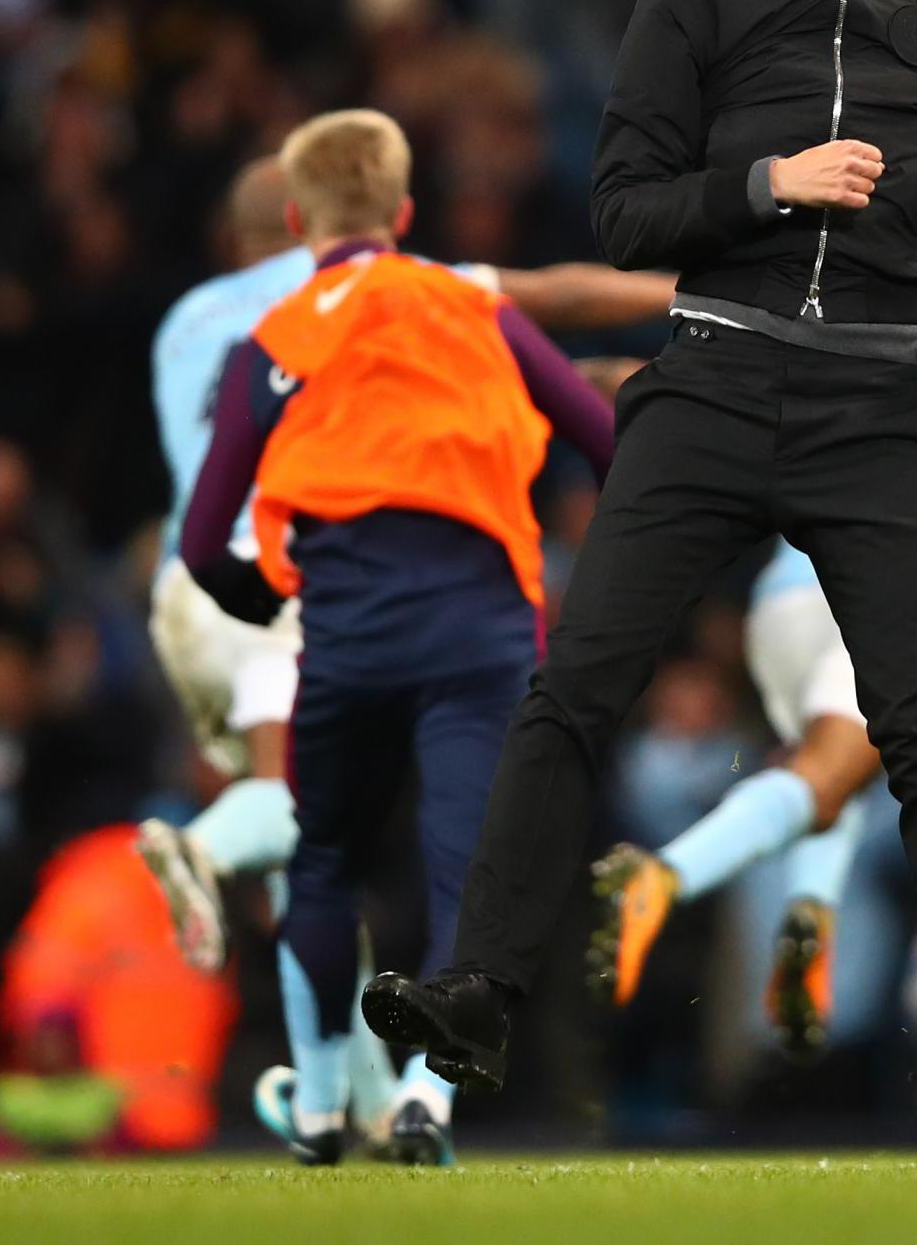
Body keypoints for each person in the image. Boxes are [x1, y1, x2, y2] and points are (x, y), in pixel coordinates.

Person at [363, 0, 917, 1175]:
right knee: (570, 687)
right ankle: (478, 990)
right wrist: (767, 184)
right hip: (712, 378)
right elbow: (621, 211)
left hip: (870, 400)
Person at [137, 158, 671, 1151]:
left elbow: (209, 485)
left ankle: (340, 1101)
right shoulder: (406, 290)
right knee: (407, 846)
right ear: (393, 214)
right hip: (363, 572)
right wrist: (682, 295)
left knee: (321, 851)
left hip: (195, 592)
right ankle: (215, 857)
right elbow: (554, 300)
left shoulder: (197, 323)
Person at [590, 347, 917, 1059]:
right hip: (890, 596)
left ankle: (807, 918)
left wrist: (599, 379)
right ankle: (666, 874)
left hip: (784, 603)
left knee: (832, 776)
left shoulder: (839, 346)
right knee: (826, 777)